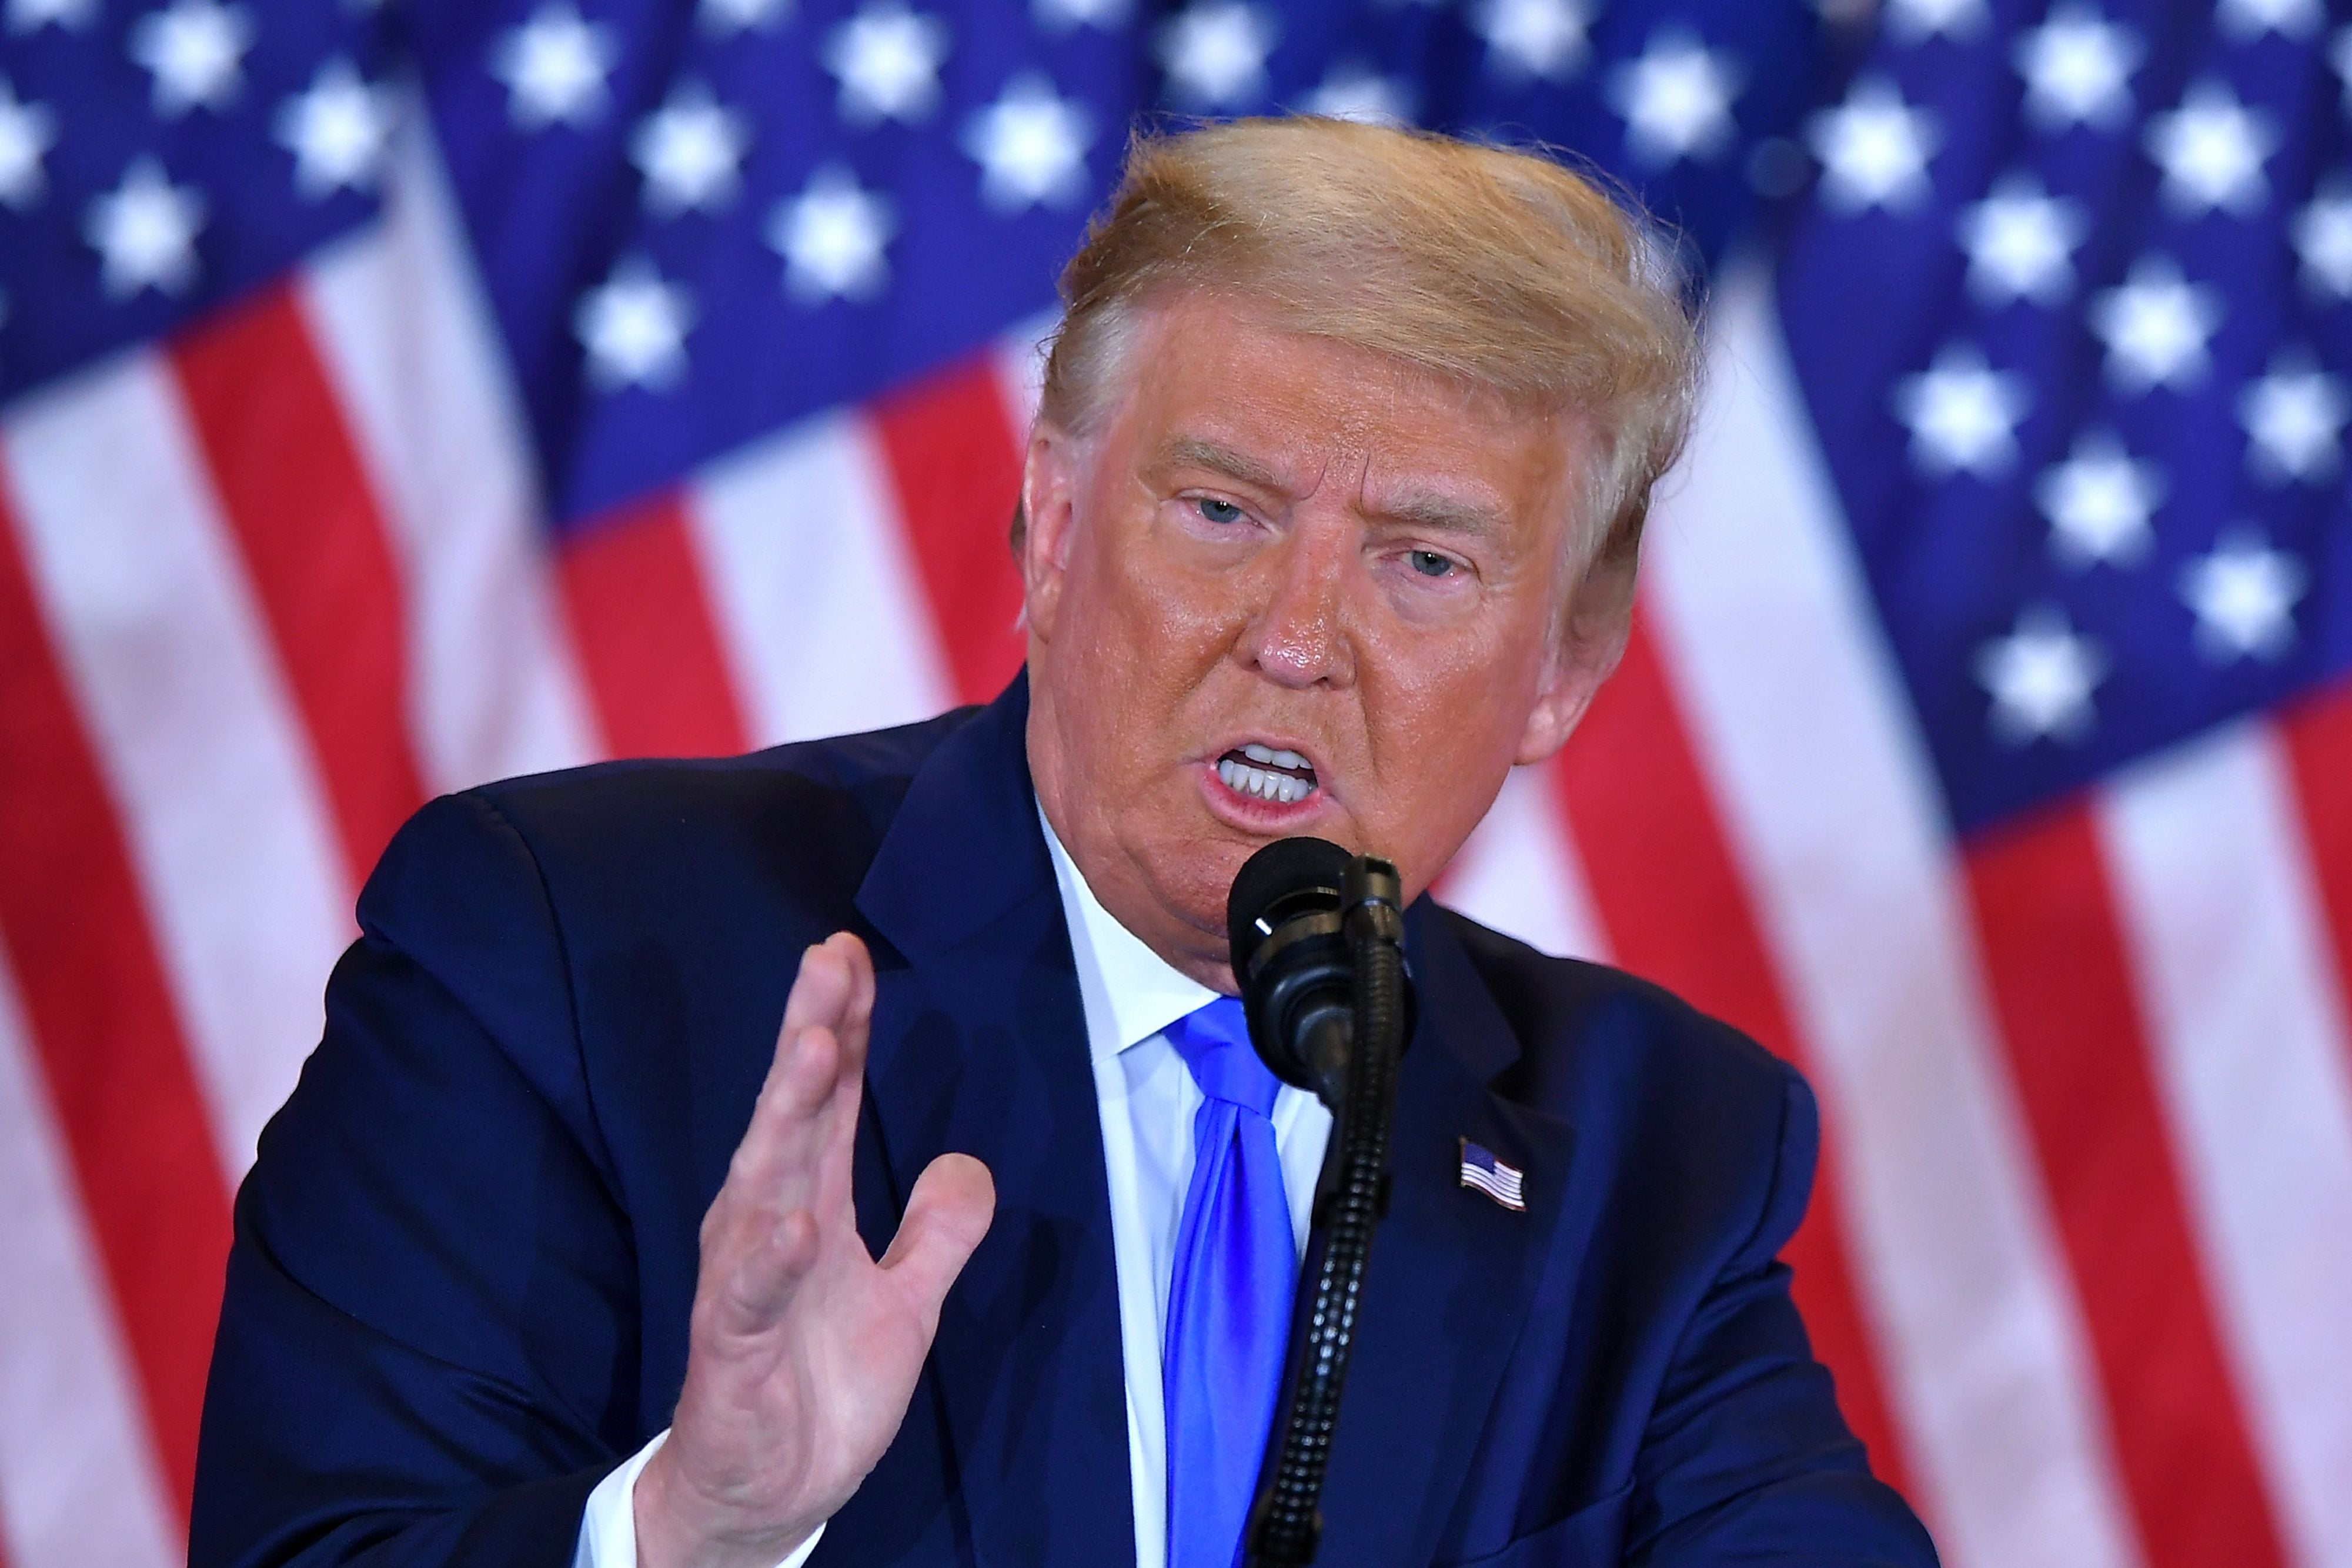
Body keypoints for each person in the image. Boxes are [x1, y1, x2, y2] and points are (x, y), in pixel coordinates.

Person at [191, 117, 1938, 1568]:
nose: (1297, 633)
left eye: (1424, 560)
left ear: (1563, 665)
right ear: (1048, 524)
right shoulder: (571, 954)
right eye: (1223, 509)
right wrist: (688, 1529)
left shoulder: (1653, 1150)